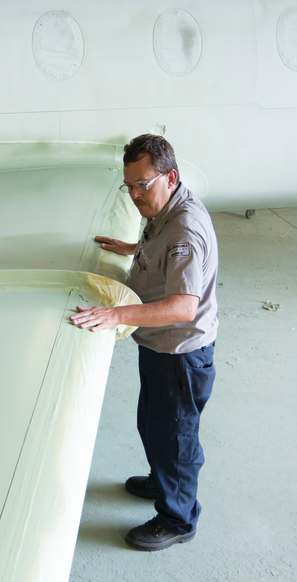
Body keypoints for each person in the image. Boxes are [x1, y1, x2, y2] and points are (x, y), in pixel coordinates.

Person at [70, 133, 218, 552]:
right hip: (159, 348)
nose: (135, 195)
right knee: (153, 425)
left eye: (142, 185)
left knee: (175, 438)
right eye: (129, 185)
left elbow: (183, 306)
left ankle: (178, 518)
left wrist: (116, 315)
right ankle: (161, 478)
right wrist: (134, 247)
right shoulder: (169, 204)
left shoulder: (185, 231)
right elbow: (164, 247)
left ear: (169, 177)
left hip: (180, 353)